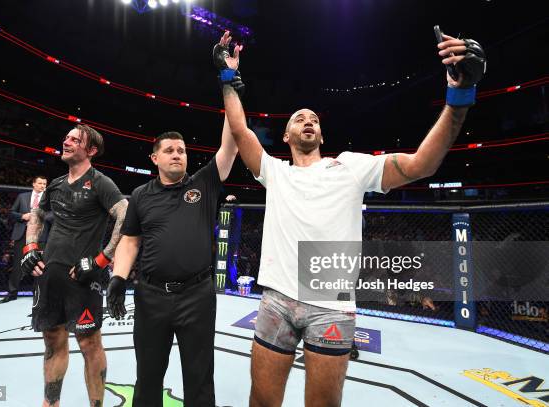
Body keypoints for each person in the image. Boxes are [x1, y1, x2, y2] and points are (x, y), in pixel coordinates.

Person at [213, 30, 485, 406]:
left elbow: (422, 164)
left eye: (313, 119)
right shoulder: (275, 172)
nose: (307, 121)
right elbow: (240, 130)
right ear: (288, 135)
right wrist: (228, 79)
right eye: (299, 118)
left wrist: (459, 97)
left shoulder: (351, 167)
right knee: (260, 400)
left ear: (320, 134)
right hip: (276, 298)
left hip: (330, 301)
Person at [106, 117, 238, 406]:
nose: (177, 154)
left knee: (199, 375)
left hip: (197, 295)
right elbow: (130, 240)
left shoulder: (203, 182)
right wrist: (118, 277)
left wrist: (231, 94)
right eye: (169, 150)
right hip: (151, 296)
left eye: (181, 150)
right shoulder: (141, 195)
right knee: (149, 374)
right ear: (155, 158)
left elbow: (230, 146)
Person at [21, 124, 128, 407]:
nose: (66, 141)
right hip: (50, 274)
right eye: (66, 136)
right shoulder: (55, 184)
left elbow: (125, 216)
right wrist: (30, 247)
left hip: (83, 276)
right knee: (53, 339)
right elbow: (37, 216)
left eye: (74, 139)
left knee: (89, 343)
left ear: (91, 150)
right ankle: (50, 403)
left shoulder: (100, 182)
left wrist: (102, 260)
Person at [0, 175, 51, 304]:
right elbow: (11, 213)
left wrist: (41, 217)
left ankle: (38, 294)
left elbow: (53, 215)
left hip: (40, 235)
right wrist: (23, 216)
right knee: (17, 264)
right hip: (22, 234)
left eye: (44, 184)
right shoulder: (22, 196)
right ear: (34, 184)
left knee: (39, 265)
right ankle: (12, 293)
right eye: (40, 183)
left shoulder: (48, 198)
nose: (42, 186)